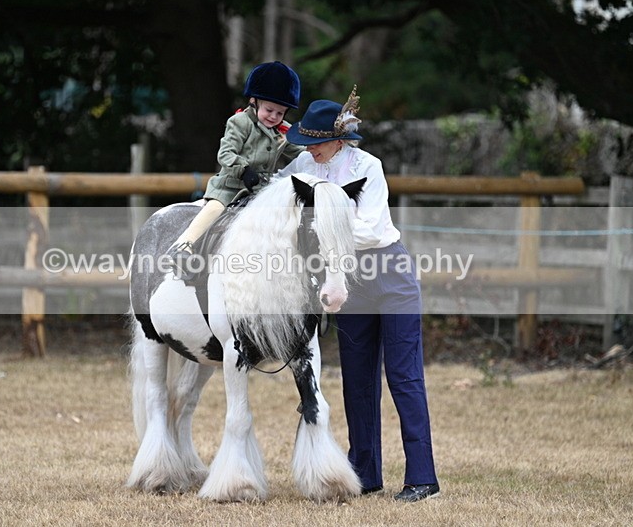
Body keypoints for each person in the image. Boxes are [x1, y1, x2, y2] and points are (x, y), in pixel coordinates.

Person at [277, 86, 440, 502]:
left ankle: (422, 478)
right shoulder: (303, 162)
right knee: (356, 382)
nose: (308, 151)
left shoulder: (368, 166)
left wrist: (321, 228)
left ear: (336, 139)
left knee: (403, 378)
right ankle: (365, 473)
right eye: (304, 144)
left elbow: (368, 229)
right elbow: (279, 195)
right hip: (346, 279)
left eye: (314, 144)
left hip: (388, 276)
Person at [167, 61, 305, 278]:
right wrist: (243, 170)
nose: (274, 117)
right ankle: (184, 245)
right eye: (269, 110)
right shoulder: (239, 122)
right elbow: (225, 154)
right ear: (254, 101)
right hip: (232, 184)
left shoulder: (283, 131)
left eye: (280, 113)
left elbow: (301, 154)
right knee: (215, 207)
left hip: (263, 190)